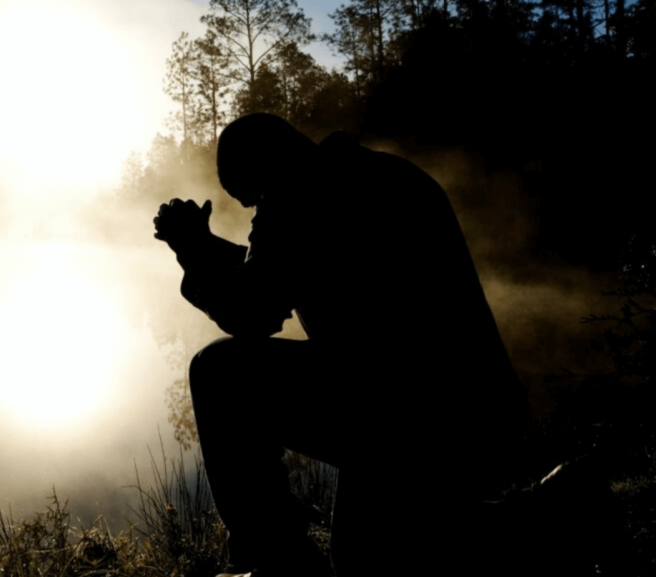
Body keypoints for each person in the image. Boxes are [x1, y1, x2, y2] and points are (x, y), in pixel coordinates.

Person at [153, 113, 529, 576]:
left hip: (403, 415)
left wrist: (191, 250)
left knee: (219, 373)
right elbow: (282, 267)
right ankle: (553, 511)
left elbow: (254, 312)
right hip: (476, 416)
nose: (256, 213)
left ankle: (278, 565)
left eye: (255, 200)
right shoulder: (379, 174)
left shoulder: (298, 197)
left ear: (267, 166)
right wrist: (207, 247)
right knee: (364, 557)